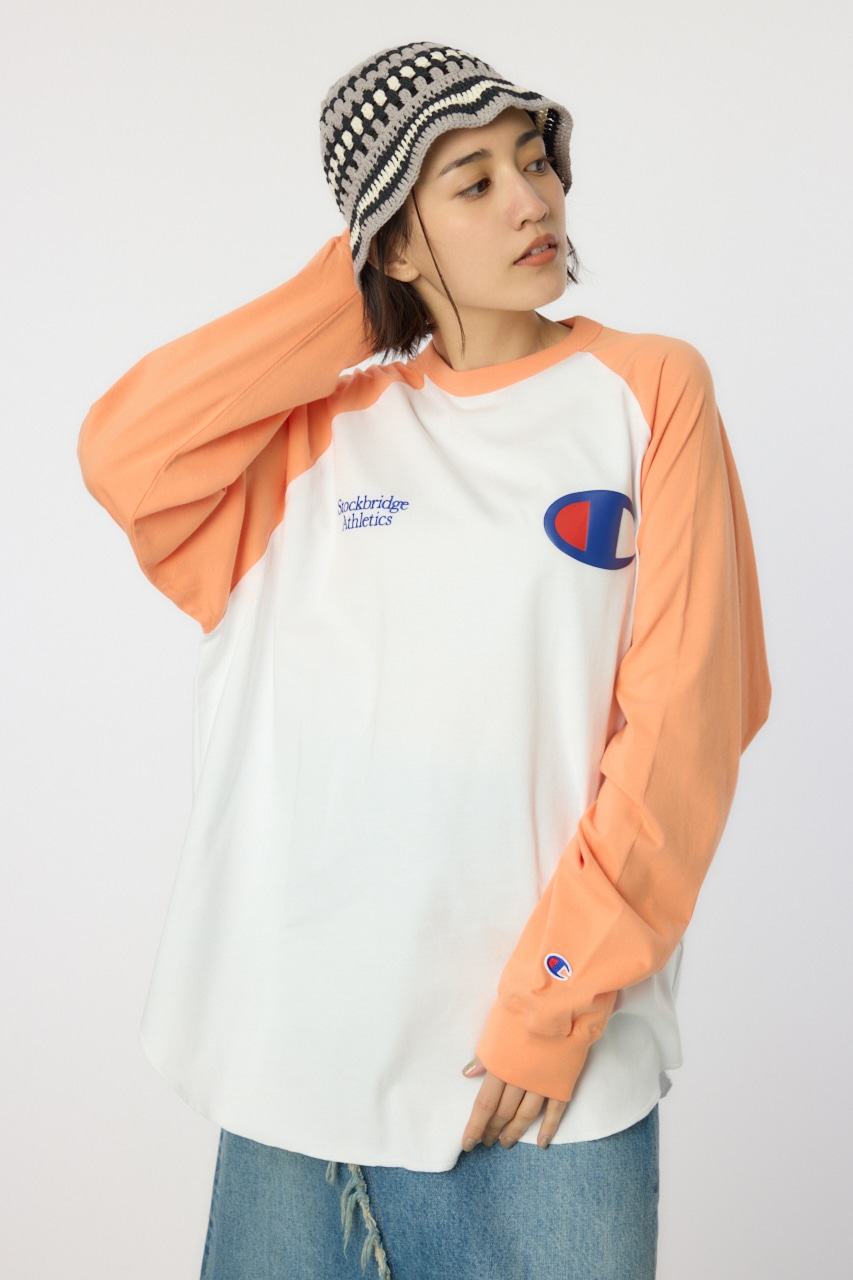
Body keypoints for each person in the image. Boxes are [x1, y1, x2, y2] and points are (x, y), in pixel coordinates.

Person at [78, 39, 771, 1280]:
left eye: (534, 160)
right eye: (472, 182)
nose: (531, 199)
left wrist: (552, 997)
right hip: (294, 1081)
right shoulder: (314, 443)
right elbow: (126, 454)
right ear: (395, 239)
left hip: (538, 1092)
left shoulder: (646, 392)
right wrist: (366, 291)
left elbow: (686, 726)